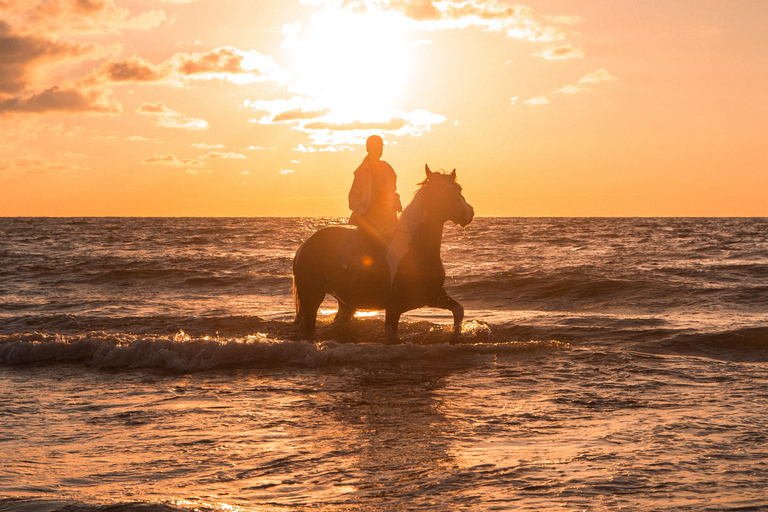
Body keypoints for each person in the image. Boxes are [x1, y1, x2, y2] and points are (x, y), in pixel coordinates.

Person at [348, 135, 403, 247]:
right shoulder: (361, 171)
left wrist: (397, 202)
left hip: (389, 220)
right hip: (368, 222)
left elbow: (392, 192)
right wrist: (364, 214)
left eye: (381, 147)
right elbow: (353, 200)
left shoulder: (388, 168)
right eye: (376, 147)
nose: (379, 150)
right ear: (368, 149)